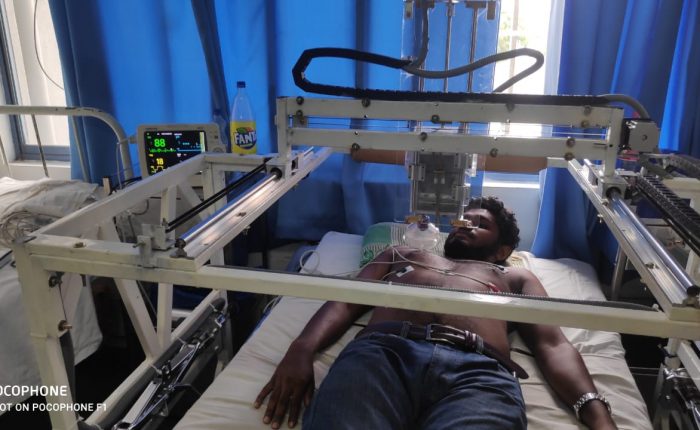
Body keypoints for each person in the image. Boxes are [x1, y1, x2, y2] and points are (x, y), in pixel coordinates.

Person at [254, 196, 617, 430]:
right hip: (382, 356)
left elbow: (553, 345)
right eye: (463, 220)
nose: (465, 225)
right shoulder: (403, 255)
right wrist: (301, 349)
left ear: (502, 249)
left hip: (479, 372)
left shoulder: (514, 277)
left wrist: (595, 412)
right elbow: (347, 301)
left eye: (480, 223)